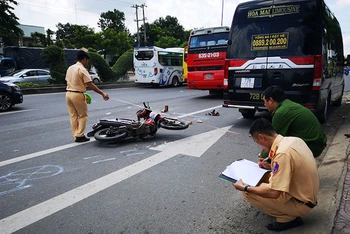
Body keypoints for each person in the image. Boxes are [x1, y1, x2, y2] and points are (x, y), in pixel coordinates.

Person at [233, 118, 319, 232]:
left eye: (258, 143)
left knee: (248, 192)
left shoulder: (282, 154)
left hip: (301, 203)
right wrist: (269, 167)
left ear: (262, 137)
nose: (260, 147)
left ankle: (287, 218)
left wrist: (245, 187)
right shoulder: (293, 140)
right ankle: (284, 210)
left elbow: (273, 193)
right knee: (264, 177)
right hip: (306, 192)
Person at [260, 85, 327, 159]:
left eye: (264, 101)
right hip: (317, 141)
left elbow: (274, 140)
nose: (264, 104)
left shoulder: (281, 113)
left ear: (270, 100)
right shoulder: (287, 104)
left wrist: (263, 158)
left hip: (313, 146)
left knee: (281, 151)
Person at [65, 50, 109, 143]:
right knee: (83, 116)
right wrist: (102, 93)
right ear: (84, 59)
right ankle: (80, 135)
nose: (87, 62)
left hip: (68, 94)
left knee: (73, 116)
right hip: (77, 94)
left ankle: (75, 135)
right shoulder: (82, 69)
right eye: (87, 60)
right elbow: (90, 84)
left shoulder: (70, 68)